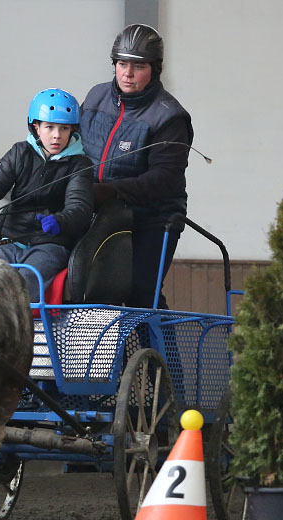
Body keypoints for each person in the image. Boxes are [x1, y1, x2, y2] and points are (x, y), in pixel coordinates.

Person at [80, 23, 193, 309]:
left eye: (138, 66)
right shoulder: (95, 98)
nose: (128, 74)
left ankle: (163, 354)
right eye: (122, 64)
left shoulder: (170, 117)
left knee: (140, 294)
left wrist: (109, 191)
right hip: (100, 210)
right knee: (85, 285)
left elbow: (164, 180)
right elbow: (73, 149)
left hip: (153, 218)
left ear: (156, 69)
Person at [0, 88, 92, 302]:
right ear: (36, 127)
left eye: (64, 128)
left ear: (73, 130)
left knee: (27, 280)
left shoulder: (81, 164)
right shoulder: (19, 152)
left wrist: (60, 221)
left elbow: (80, 207)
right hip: (8, 240)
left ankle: (21, 333)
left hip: (50, 245)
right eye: (49, 127)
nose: (57, 135)